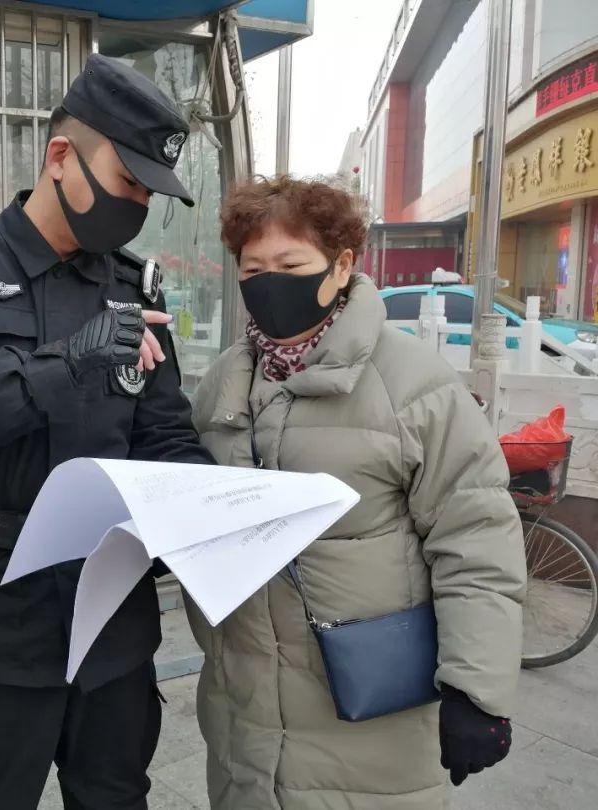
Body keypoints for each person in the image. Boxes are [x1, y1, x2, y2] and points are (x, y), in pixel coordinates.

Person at [0, 53, 215, 810]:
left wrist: (205, 505)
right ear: (61, 157)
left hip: (112, 631)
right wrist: (60, 367)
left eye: (149, 193)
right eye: (127, 182)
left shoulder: (133, 288)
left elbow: (164, 434)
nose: (137, 206)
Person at [187, 175, 526, 809]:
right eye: (253, 269)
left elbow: (477, 537)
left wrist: (476, 688)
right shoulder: (224, 382)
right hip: (244, 719)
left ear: (341, 266)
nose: (269, 284)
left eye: (291, 266)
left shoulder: (413, 384)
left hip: (368, 717)